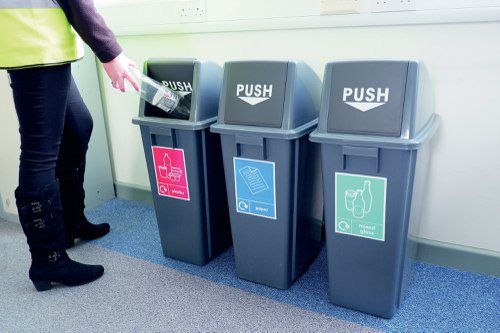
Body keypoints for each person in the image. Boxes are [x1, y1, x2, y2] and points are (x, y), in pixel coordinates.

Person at [0, 0, 139, 291]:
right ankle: (48, 259)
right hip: (32, 42)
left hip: (42, 42)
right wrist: (109, 52)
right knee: (39, 153)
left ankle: (71, 222)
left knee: (78, 127)